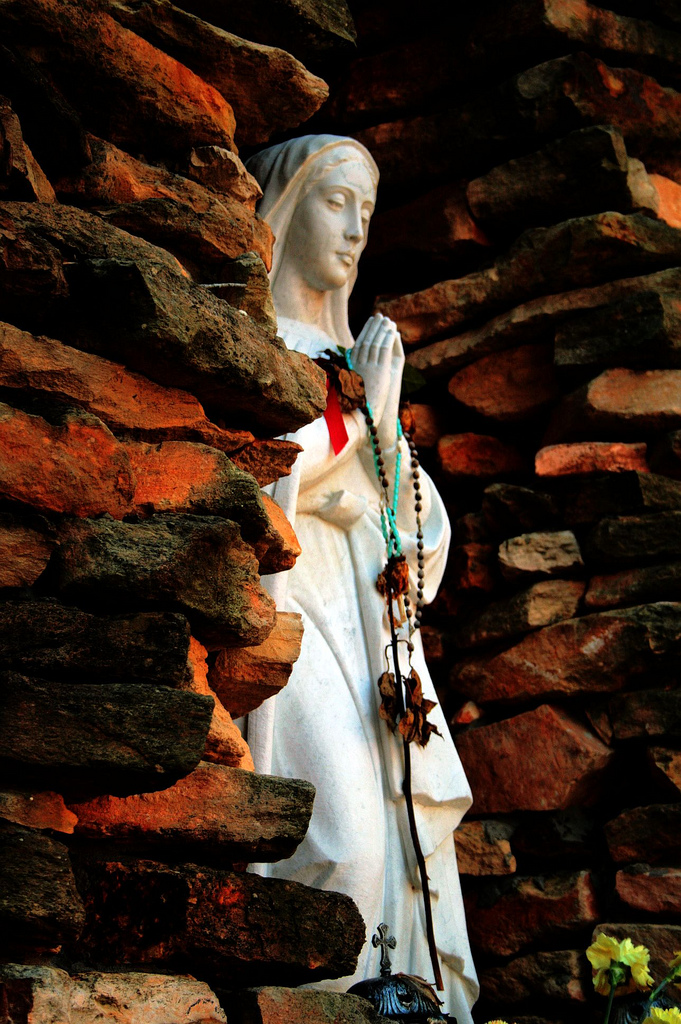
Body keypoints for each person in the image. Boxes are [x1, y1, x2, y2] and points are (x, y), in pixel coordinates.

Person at [245, 135, 478, 1023]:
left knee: (390, 848)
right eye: (335, 202)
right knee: (339, 840)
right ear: (283, 208)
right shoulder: (251, 341)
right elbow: (261, 480)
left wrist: (377, 429)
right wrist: (366, 421)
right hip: (292, 612)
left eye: (367, 214)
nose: (353, 232)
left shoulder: (353, 363)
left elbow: (420, 543)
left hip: (367, 633)